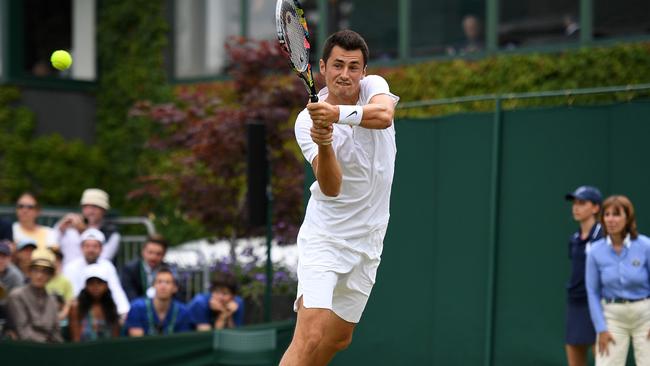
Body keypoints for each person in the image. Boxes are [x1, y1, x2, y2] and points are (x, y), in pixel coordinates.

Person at [281, 30, 399, 365]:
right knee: (311, 334)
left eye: (353, 67)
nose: (344, 74)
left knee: (337, 339)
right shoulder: (307, 121)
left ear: (364, 71)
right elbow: (332, 187)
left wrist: (336, 116)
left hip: (369, 238)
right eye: (337, 65)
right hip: (326, 238)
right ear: (321, 67)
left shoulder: (375, 87)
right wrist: (324, 141)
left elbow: (384, 116)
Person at [586, 195, 650, 365]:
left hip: (646, 316)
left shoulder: (645, 246)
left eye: (616, 214)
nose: (610, 219)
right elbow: (592, 291)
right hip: (612, 318)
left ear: (627, 218)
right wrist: (601, 328)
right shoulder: (595, 251)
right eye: (607, 215)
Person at [564, 186, 604, 366]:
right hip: (575, 301)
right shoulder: (574, 239)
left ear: (595, 208)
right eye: (574, 203)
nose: (576, 208)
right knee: (573, 349)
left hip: (597, 302)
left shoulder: (603, 236)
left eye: (582, 203)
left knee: (601, 355)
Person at [63, 228, 130, 317]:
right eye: (87, 246)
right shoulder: (70, 267)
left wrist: (124, 311)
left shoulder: (107, 266)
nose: (91, 250)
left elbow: (116, 291)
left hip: (104, 312)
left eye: (95, 246)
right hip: (78, 312)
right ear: (81, 248)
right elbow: (70, 295)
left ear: (101, 249)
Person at [6, 249, 63, 342]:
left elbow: (56, 332)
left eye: (45, 272)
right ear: (29, 273)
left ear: (50, 276)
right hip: (26, 349)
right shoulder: (17, 295)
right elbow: (23, 332)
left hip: (50, 350)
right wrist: (48, 345)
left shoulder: (52, 300)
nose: (39, 275)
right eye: (35, 270)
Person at [55, 188, 121, 266]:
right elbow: (52, 244)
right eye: (86, 207)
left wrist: (84, 232)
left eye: (94, 207)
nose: (90, 211)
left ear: (103, 210)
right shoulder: (69, 229)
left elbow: (103, 258)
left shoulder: (111, 234)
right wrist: (60, 228)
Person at [125, 267, 192, 336]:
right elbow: (137, 341)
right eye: (159, 282)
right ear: (154, 285)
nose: (163, 286)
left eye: (167, 282)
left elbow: (182, 340)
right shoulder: (137, 307)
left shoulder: (183, 312)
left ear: (175, 288)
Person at [68, 264, 120, 341]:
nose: (95, 287)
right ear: (85, 285)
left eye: (99, 282)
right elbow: (76, 340)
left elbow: (115, 338)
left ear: (106, 285)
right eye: (91, 283)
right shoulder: (76, 307)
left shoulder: (112, 307)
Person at [121, 234, 170, 301]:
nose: (153, 257)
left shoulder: (168, 271)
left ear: (164, 255)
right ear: (143, 251)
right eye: (150, 252)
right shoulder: (130, 270)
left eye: (158, 254)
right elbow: (129, 294)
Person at [46, 248, 74, 325]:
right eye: (52, 259)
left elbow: (68, 304)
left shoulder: (66, 282)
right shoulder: (41, 280)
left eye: (58, 260)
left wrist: (59, 317)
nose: (55, 263)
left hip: (61, 321)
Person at [0, 240, 25, 329]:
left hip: (8, 312)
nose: (1, 260)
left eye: (4, 257)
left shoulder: (16, 275)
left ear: (9, 258)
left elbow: (19, 302)